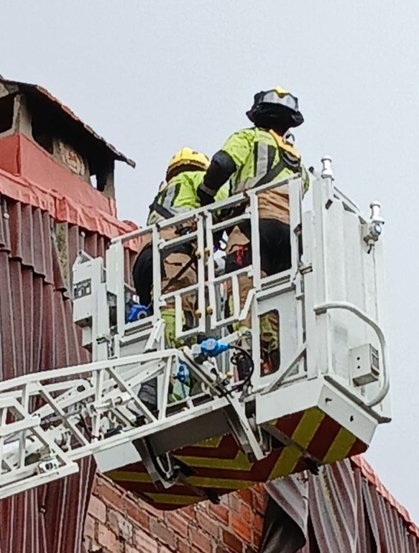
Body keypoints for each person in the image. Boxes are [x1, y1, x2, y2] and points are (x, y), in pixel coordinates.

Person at [197, 87, 309, 370]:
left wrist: (206, 195)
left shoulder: (248, 138)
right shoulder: (297, 161)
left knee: (244, 293)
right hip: (289, 236)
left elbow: (222, 163)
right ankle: (278, 360)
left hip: (252, 227)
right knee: (278, 298)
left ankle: (250, 358)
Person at [132, 148, 227, 347]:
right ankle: (173, 353)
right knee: (176, 308)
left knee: (159, 307)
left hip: (144, 259)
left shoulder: (163, 193)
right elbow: (224, 202)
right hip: (175, 255)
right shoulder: (197, 178)